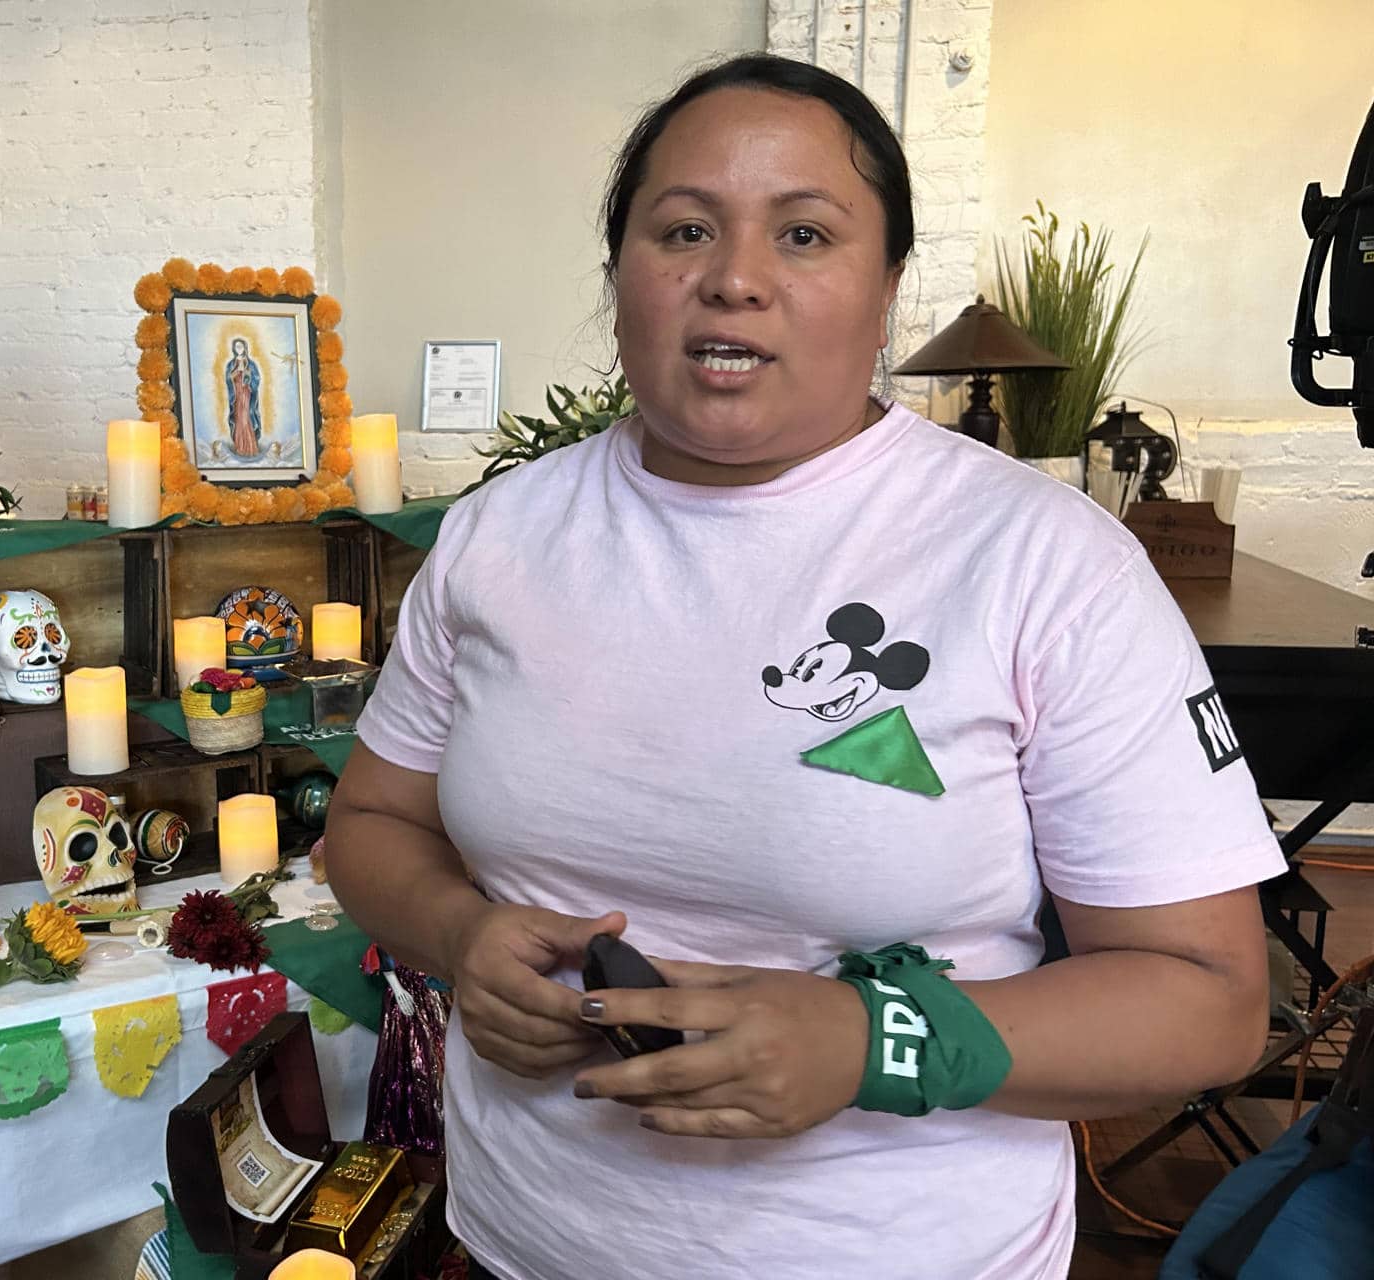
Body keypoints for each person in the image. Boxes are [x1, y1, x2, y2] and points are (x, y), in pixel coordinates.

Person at [326, 53, 1284, 1280]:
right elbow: (370, 821)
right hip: (527, 1239)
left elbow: (1208, 998)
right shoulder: (499, 537)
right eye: (683, 229)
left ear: (886, 293)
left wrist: (869, 1039)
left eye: (806, 234)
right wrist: (459, 931)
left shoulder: (1046, 563)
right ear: (618, 275)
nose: (734, 280)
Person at [225, 337, 262, 458]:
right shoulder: (231, 364)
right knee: (238, 419)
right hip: (236, 395)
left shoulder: (250, 364)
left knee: (246, 418)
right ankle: (240, 447)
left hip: (247, 393)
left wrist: (247, 375)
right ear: (234, 349)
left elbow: (256, 378)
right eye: (237, 347)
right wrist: (235, 373)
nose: (239, 349)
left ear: (245, 348)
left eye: (241, 346)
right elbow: (228, 378)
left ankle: (250, 448)